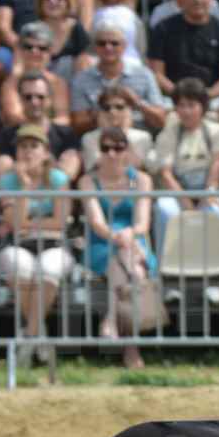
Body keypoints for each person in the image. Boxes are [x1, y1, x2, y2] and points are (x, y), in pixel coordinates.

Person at [80, 127, 162, 371]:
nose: (112, 154)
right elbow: (96, 222)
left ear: (127, 150)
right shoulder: (89, 181)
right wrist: (115, 236)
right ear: (99, 151)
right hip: (102, 243)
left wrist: (129, 234)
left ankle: (112, 321)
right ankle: (131, 349)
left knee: (130, 268)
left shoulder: (139, 179)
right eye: (106, 148)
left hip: (134, 242)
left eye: (118, 148)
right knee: (132, 271)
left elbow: (142, 222)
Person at [0, 122, 75, 365]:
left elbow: (60, 222)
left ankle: (28, 339)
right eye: (23, 147)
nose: (28, 152)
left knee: (47, 270)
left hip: (55, 245)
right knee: (17, 265)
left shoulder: (59, 178)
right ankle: (39, 336)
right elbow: (17, 224)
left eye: (34, 146)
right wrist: (26, 186)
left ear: (45, 151)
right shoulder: (9, 181)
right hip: (20, 245)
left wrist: (31, 223)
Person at [151, 77, 219, 250]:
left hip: (208, 187)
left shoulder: (218, 131)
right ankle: (165, 266)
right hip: (178, 188)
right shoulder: (167, 134)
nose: (186, 111)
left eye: (192, 105)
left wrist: (207, 195)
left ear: (203, 107)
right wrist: (185, 201)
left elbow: (217, 165)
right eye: (181, 105)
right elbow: (166, 173)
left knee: (217, 212)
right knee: (165, 209)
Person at [148, 0, 219, 101]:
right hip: (172, 98)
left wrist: (205, 97)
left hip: (213, 98)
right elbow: (156, 73)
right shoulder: (163, 29)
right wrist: (180, 96)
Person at [70, 21, 168, 135]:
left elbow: (161, 120)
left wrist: (137, 103)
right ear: (95, 47)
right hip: (99, 138)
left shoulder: (144, 75)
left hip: (140, 135)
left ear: (124, 46)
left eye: (114, 43)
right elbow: (78, 125)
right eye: (102, 43)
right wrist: (104, 109)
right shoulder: (81, 80)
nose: (108, 47)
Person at [0, 72, 82, 179]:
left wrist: (23, 168)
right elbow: (3, 174)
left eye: (40, 97)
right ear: (20, 100)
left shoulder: (67, 134)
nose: (34, 102)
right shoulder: (7, 135)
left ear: (49, 100)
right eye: (28, 97)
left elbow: (69, 173)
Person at [0, 22, 72, 129]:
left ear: (50, 52)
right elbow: (14, 117)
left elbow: (64, 119)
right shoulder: (11, 83)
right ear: (20, 50)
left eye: (42, 48)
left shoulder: (58, 83)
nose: (35, 52)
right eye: (28, 47)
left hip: (51, 137)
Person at [78, 83, 153, 171]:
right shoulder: (89, 138)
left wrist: (123, 134)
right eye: (107, 108)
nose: (112, 111)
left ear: (129, 109)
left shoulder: (143, 137)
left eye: (119, 107)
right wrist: (106, 133)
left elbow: (140, 167)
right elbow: (96, 168)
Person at [33, 0, 93, 84]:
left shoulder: (76, 29)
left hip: (72, 86)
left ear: (68, 2)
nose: (52, 1)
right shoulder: (32, 30)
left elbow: (84, 67)